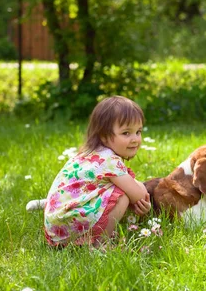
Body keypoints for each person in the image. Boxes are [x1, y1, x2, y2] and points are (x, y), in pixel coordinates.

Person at [43, 96, 151, 247]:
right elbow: (139, 195)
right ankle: (99, 244)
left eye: (138, 132)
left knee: (118, 190)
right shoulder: (110, 161)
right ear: (104, 136)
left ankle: (86, 238)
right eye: (126, 133)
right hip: (70, 226)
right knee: (121, 195)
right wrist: (142, 195)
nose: (135, 139)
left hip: (56, 227)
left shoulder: (88, 154)